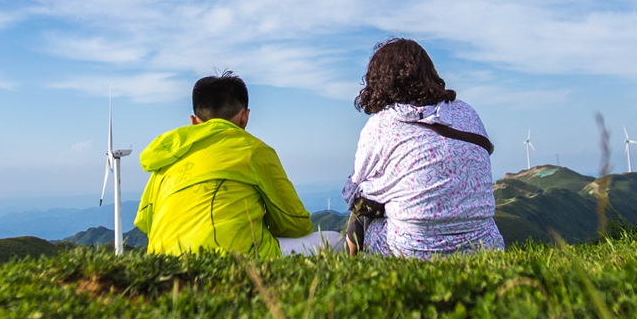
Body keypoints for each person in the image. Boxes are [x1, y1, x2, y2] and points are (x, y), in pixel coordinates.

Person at [343, 38, 503, 257]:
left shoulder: (382, 123)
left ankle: (348, 263)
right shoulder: (468, 112)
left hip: (411, 250)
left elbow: (354, 189)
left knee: (364, 202)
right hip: (485, 246)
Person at [136, 72, 315, 258]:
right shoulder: (254, 151)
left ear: (193, 122)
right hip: (238, 258)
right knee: (335, 240)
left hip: (163, 262)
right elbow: (296, 224)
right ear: (245, 117)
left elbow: (146, 222)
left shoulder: (167, 158)